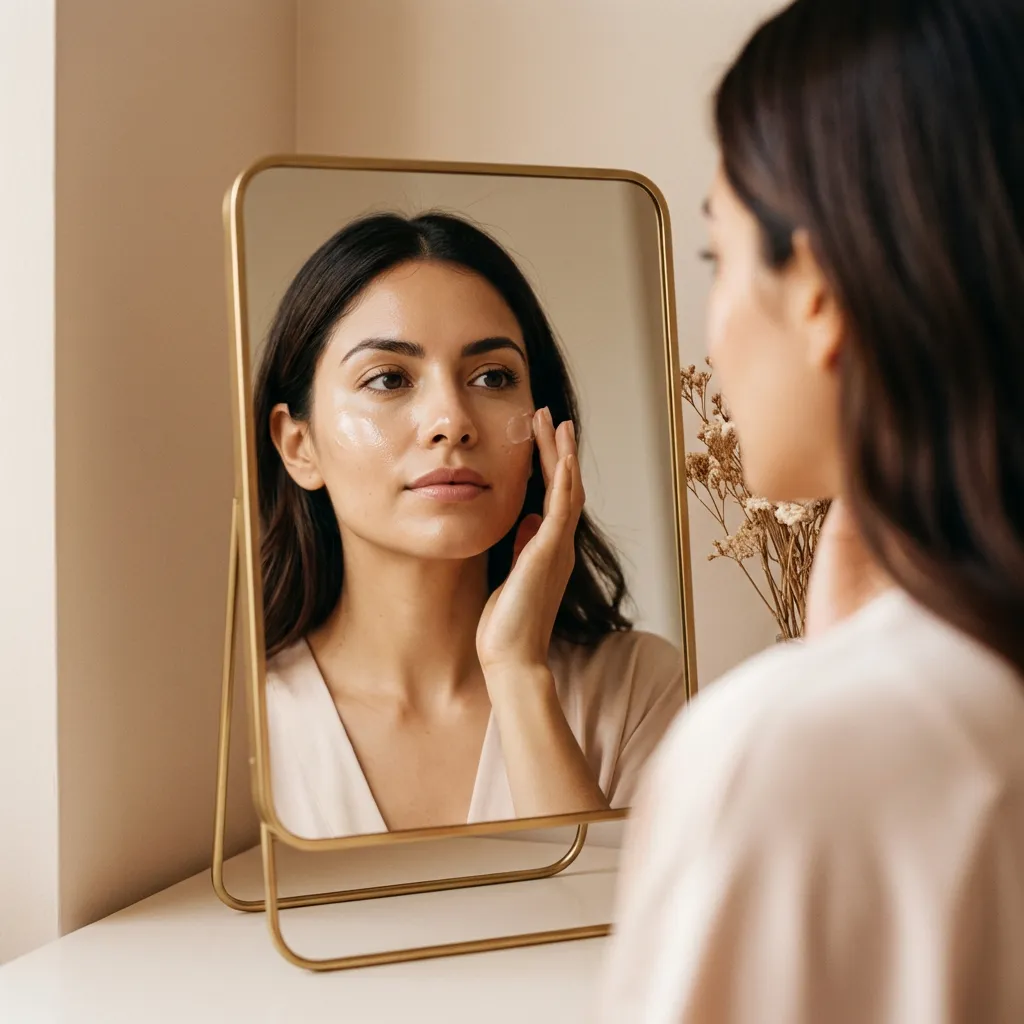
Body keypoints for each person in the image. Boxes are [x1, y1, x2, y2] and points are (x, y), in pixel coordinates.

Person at [601, 0, 1024, 1020]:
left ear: (821, 291)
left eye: (720, 259)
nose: (712, 330)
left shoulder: (779, 761)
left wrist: (836, 689)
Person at [253, 211, 685, 839]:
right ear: (298, 445)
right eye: (388, 379)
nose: (451, 420)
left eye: (492, 377)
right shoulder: (245, 724)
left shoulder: (638, 688)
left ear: (544, 422)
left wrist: (517, 671)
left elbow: (612, 930)